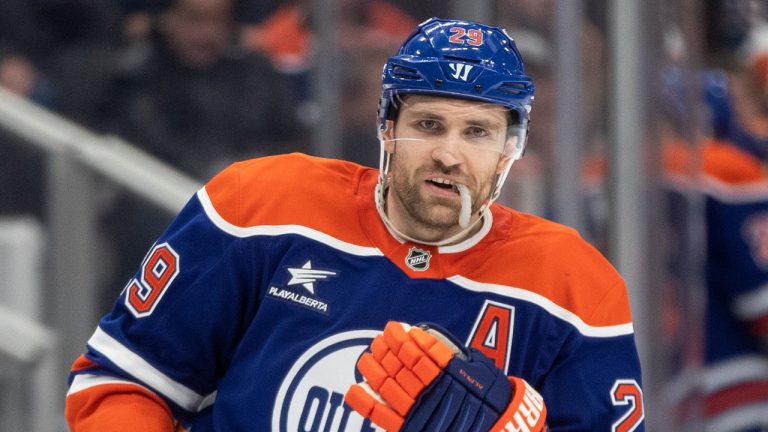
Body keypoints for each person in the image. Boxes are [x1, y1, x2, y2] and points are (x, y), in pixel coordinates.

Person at [64, 17, 644, 431]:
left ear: (510, 149)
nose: (448, 153)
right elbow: (121, 380)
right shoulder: (259, 206)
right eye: (428, 124)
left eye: (477, 132)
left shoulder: (573, 288)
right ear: (386, 128)